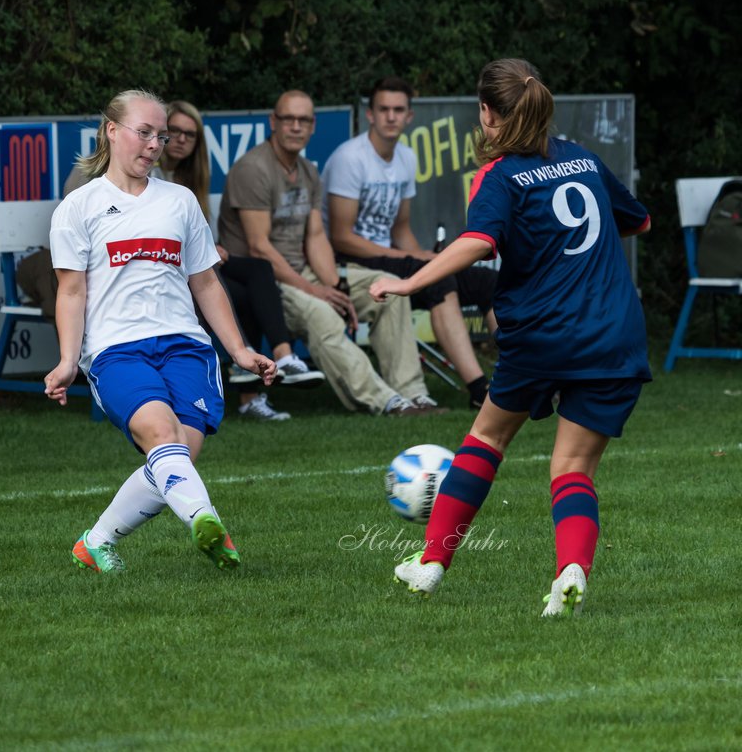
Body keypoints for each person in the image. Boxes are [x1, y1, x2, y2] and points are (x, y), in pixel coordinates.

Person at [375, 58, 651, 616]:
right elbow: (637, 220)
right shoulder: (585, 159)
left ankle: (431, 562)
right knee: (572, 469)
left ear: (487, 114)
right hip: (612, 334)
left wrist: (410, 282)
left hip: (544, 333)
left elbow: (477, 242)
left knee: (486, 441)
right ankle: (570, 570)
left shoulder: (500, 176)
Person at [44, 89, 276, 573]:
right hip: (115, 351)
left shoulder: (180, 200)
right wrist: (68, 362)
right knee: (159, 433)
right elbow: (70, 291)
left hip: (187, 347)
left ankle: (96, 542)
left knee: (178, 454)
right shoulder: (78, 206)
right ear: (112, 130)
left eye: (160, 134)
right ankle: (207, 520)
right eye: (143, 132)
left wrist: (239, 349)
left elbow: (206, 281)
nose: (154, 144)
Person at [218, 89, 440, 416]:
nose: (296, 126)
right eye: (288, 119)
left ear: (313, 126)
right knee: (322, 315)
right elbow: (259, 247)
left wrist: (335, 286)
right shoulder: (254, 168)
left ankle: (413, 393)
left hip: (304, 272)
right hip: (267, 280)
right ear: (273, 122)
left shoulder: (308, 170)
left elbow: (317, 236)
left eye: (303, 120)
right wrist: (316, 292)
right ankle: (387, 403)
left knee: (388, 289)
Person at [325, 76, 498, 409]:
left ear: (409, 117)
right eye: (384, 109)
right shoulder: (351, 158)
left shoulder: (405, 157)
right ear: (370, 115)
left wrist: (419, 255)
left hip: (393, 256)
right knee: (439, 278)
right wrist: (413, 258)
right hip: (351, 261)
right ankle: (480, 391)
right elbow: (341, 237)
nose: (391, 116)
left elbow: (401, 228)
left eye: (398, 110)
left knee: (487, 281)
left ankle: (519, 378)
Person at [160, 99, 324, 422]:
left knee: (258, 271)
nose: (180, 139)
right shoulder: (145, 173)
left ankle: (282, 357)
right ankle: (250, 373)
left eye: (189, 135)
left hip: (194, 266)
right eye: (174, 131)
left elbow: (193, 234)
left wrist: (211, 247)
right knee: (241, 287)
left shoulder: (189, 178)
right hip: (166, 270)